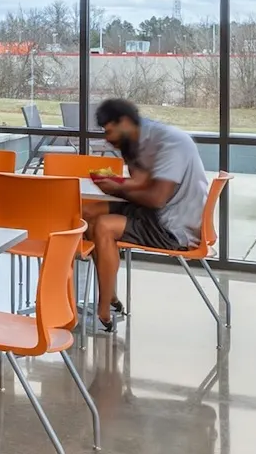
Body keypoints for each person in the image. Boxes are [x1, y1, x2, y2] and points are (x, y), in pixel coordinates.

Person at [83, 98, 212, 333]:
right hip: (156, 212)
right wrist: (117, 183)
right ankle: (110, 295)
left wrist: (117, 188)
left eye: (109, 131)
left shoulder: (171, 143)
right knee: (87, 212)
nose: (107, 139)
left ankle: (103, 312)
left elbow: (156, 198)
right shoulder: (137, 138)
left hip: (174, 226)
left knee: (103, 226)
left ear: (124, 122)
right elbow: (140, 182)